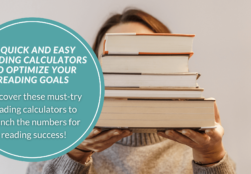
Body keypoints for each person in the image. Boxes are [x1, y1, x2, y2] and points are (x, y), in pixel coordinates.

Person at [26, 9, 236, 174]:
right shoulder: (56, 146)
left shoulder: (198, 147)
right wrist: (74, 155)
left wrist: (211, 157)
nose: (131, 73)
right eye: (115, 58)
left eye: (145, 55)